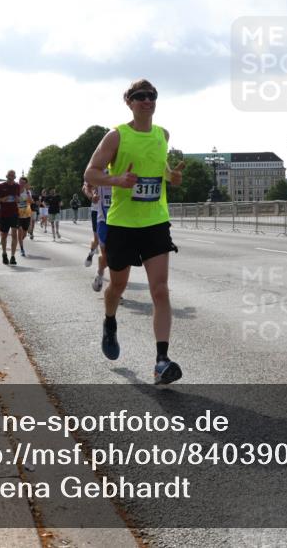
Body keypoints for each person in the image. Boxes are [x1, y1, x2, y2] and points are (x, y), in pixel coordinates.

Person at [84, 78, 186, 384]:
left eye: (151, 95)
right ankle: (110, 321)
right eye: (140, 96)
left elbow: (161, 170)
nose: (147, 100)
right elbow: (90, 172)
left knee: (160, 290)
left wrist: (172, 177)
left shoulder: (162, 134)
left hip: (155, 222)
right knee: (117, 287)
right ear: (129, 102)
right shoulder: (117, 136)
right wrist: (116, 181)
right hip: (122, 225)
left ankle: (161, 361)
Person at [0, 170, 21, 265]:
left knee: (14, 234)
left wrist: (18, 199)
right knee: (4, 235)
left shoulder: (17, 186)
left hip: (14, 213)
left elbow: (20, 198)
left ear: (15, 177)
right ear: (6, 176)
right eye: (10, 175)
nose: (11, 177)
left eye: (13, 175)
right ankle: (4, 254)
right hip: (4, 214)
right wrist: (2, 199)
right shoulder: (0, 186)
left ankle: (13, 256)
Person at [90, 174, 112, 292]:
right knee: (107, 256)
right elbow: (88, 185)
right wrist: (92, 194)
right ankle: (100, 273)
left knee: (118, 255)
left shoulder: (125, 163)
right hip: (103, 220)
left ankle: (115, 288)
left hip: (122, 219)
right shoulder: (100, 166)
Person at [16, 177, 34, 257]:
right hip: (17, 214)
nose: (21, 184)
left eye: (23, 182)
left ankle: (19, 242)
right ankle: (22, 249)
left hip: (26, 214)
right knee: (19, 231)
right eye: (20, 182)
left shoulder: (28, 192)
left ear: (25, 184)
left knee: (24, 234)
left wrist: (27, 193)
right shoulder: (15, 191)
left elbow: (31, 201)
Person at [84, 180, 100, 267]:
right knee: (97, 238)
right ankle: (91, 254)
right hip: (97, 210)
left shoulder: (117, 168)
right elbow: (85, 188)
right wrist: (91, 197)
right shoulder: (95, 168)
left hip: (112, 209)